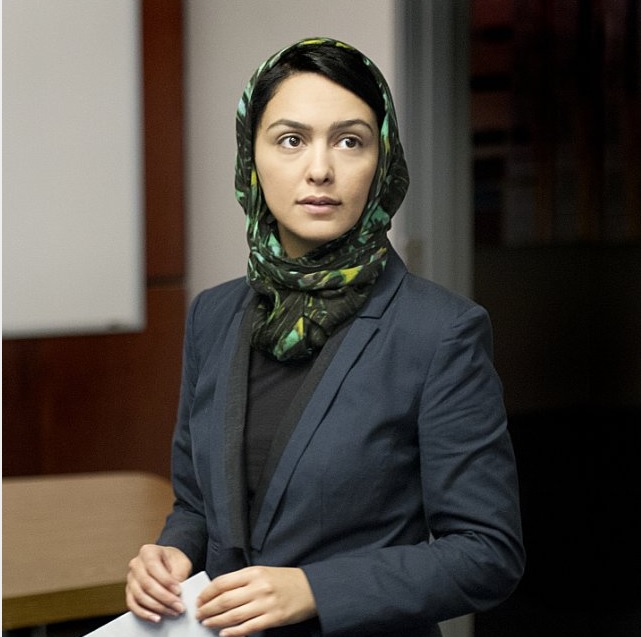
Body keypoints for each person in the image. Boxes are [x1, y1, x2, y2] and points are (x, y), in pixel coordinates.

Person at [126, 37, 525, 637]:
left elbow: (487, 553)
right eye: (291, 140)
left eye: (350, 141)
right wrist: (172, 554)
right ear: (252, 157)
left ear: (382, 159)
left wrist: (315, 590)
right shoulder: (213, 314)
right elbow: (197, 505)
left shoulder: (440, 331)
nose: (320, 169)